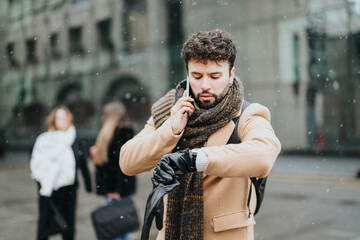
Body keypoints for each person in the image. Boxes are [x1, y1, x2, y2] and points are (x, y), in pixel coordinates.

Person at [120, 29, 281, 240]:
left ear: (231, 75)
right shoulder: (169, 110)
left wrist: (196, 160)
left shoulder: (248, 114)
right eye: (197, 76)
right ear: (187, 74)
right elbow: (127, 162)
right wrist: (171, 130)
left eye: (215, 76)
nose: (205, 85)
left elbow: (264, 155)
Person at [30, 106, 92, 240]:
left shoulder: (75, 138)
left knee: (68, 224)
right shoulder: (44, 139)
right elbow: (36, 163)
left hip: (69, 187)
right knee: (45, 222)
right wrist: (43, 180)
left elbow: (82, 163)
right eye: (60, 117)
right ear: (53, 120)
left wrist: (88, 184)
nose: (63, 120)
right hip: (49, 188)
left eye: (65, 117)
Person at [90, 101, 136, 240]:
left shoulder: (119, 134)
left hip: (115, 190)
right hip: (117, 188)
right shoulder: (114, 132)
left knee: (116, 229)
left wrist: (115, 190)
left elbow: (118, 166)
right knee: (118, 227)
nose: (102, 117)